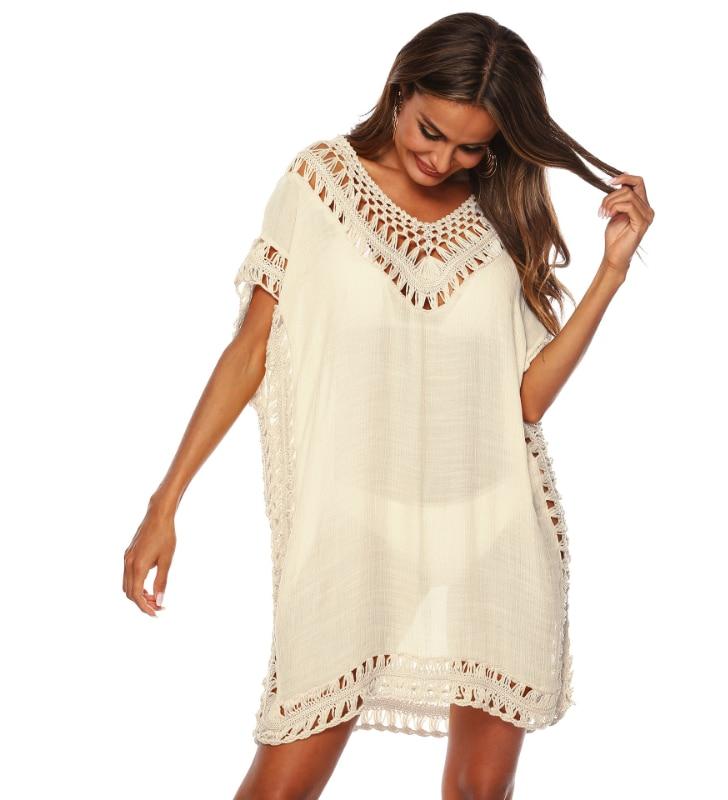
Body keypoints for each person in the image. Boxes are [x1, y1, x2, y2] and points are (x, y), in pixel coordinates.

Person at [122, 11, 653, 800]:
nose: (441, 159)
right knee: (281, 785)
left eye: (469, 147)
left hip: (492, 530)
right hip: (359, 531)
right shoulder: (320, 183)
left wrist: (611, 272)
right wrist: (165, 503)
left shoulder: (501, 210)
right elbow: (249, 352)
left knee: (478, 793)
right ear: (401, 90)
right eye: (431, 131)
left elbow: (526, 398)